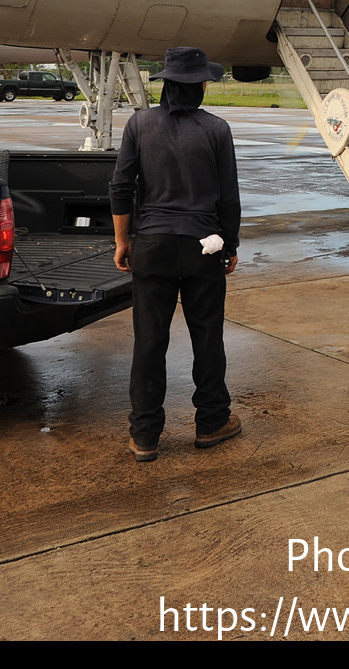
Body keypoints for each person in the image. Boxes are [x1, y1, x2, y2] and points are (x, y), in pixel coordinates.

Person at [110, 46, 241, 462]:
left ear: (167, 83)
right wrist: (231, 245)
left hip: (151, 245)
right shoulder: (216, 129)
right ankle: (211, 423)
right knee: (207, 337)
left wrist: (122, 241)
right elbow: (229, 198)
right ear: (197, 87)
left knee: (149, 341)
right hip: (203, 246)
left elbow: (120, 186)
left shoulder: (139, 125)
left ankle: (145, 435)